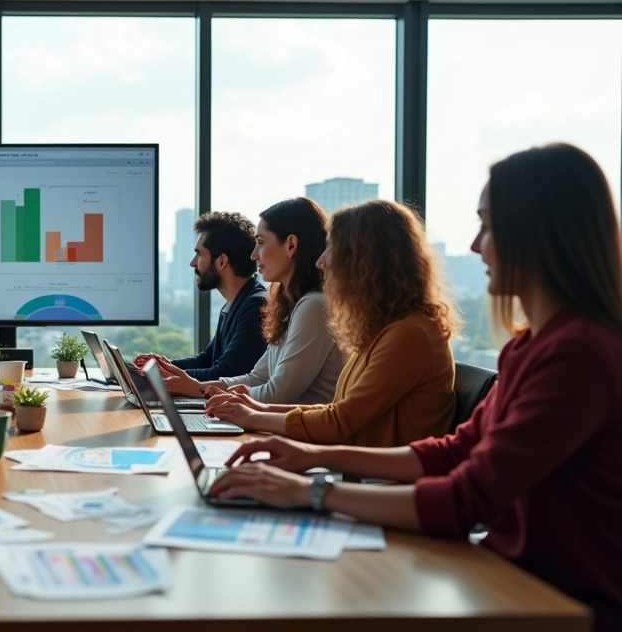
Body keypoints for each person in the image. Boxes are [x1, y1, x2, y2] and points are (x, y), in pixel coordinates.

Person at [208, 143, 622, 632]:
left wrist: (310, 491)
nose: (474, 245)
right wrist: (311, 460)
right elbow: (453, 451)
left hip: (555, 602)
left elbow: (466, 496)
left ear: (539, 233)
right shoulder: (528, 347)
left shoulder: (577, 355)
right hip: (506, 578)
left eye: (487, 225)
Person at [206, 199, 458, 447]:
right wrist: (259, 408)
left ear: (365, 261)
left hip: (377, 479)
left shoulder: (409, 334)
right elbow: (338, 409)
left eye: (332, 248)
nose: (321, 261)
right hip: (357, 467)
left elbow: (339, 421)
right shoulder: (385, 329)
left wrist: (255, 416)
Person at [156, 197, 345, 403]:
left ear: (291, 245)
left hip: (297, 434)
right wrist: (198, 387)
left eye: (261, 243)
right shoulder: (289, 307)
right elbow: (257, 377)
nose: (254, 255)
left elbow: (276, 394)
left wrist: (207, 392)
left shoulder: (314, 306)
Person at [134, 212, 267, 385]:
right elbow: (208, 359)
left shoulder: (256, 305)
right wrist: (164, 366)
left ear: (222, 261)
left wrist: (160, 377)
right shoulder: (236, 301)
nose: (193, 262)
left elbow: (227, 372)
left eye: (199, 254)